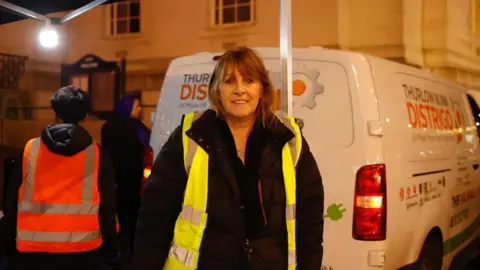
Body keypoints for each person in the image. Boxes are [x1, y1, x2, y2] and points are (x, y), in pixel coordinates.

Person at [133, 47, 324, 270]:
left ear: (262, 89)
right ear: (216, 91)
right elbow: (154, 218)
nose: (239, 90)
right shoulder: (191, 136)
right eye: (229, 81)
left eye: (249, 80)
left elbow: (309, 223)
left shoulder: (287, 138)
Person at [0, 86, 119, 270]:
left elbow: (11, 202)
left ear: (55, 114)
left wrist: (5, 245)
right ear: (85, 116)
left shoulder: (30, 150)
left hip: (32, 252)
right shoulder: (96, 154)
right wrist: (112, 247)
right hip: (83, 252)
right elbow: (107, 208)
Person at [101, 96, 150, 258]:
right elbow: (148, 143)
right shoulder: (135, 127)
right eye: (137, 106)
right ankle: (132, 249)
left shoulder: (107, 126)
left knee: (117, 215)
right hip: (132, 179)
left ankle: (117, 249)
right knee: (133, 215)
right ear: (128, 109)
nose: (139, 109)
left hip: (113, 179)